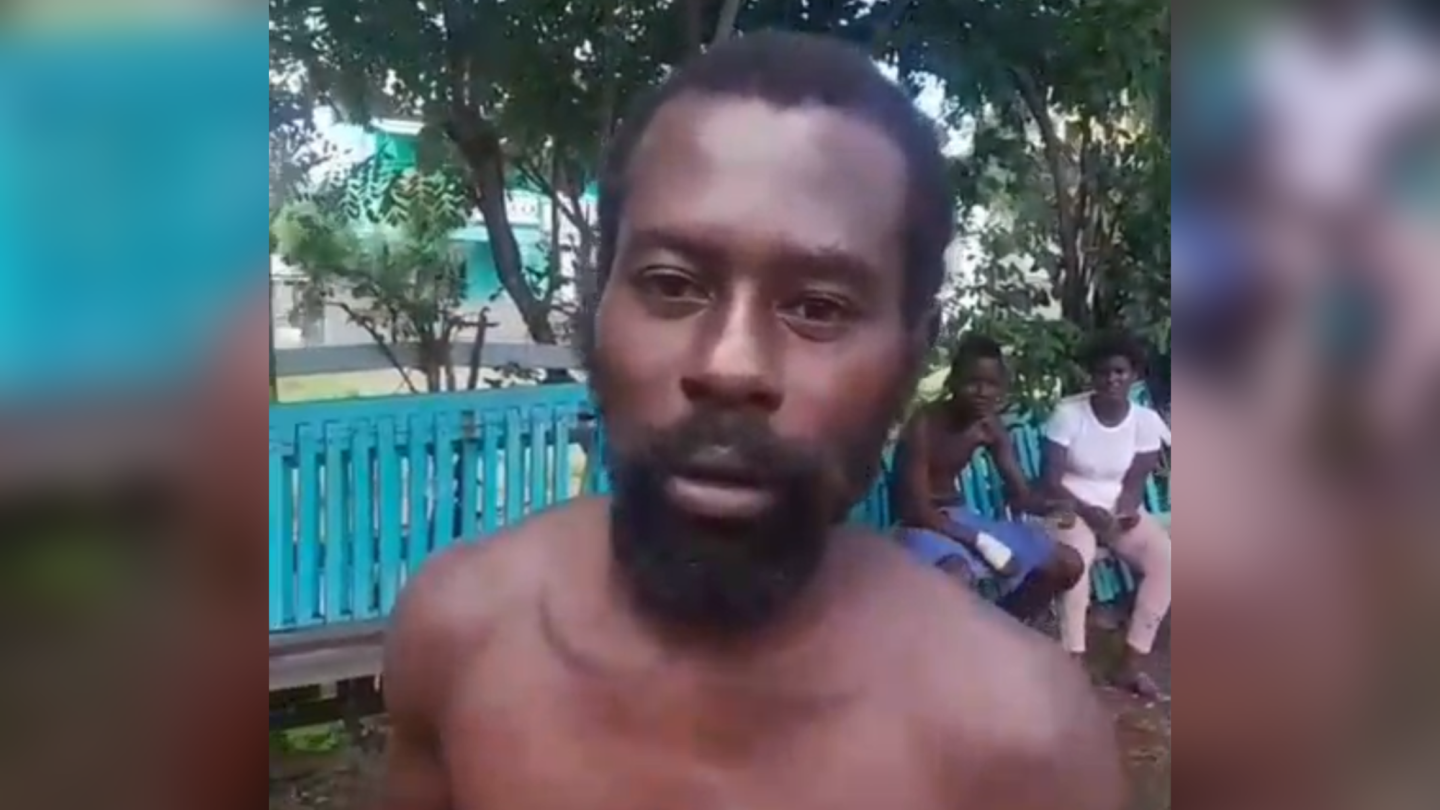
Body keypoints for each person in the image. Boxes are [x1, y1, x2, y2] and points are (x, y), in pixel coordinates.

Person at [379, 32, 1123, 810]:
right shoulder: (460, 636)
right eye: (672, 284)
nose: (730, 366)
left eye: (818, 307)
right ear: (599, 305)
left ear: (912, 354)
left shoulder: (1023, 744)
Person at [893, 334, 1084, 621]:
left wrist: (1051, 507)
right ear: (953, 381)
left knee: (1068, 563)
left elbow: (1021, 494)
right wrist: (981, 542)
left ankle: (1005, 624)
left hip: (961, 518)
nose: (982, 392)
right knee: (955, 577)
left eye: (991, 384)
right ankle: (962, 641)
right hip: (921, 525)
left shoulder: (988, 427)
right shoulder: (924, 424)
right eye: (973, 382)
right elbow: (917, 510)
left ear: (1001, 388)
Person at [1042, 331, 1173, 699]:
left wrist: (1127, 508)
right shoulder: (1069, 415)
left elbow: (1135, 479)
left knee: (1166, 561)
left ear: (1134, 375)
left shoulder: (1145, 421)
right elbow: (1050, 480)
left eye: (1120, 372)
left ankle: (1130, 665)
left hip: (1115, 511)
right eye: (1103, 372)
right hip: (1069, 505)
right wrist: (1088, 512)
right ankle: (1073, 662)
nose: (1112, 379)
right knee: (1077, 560)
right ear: (1092, 375)